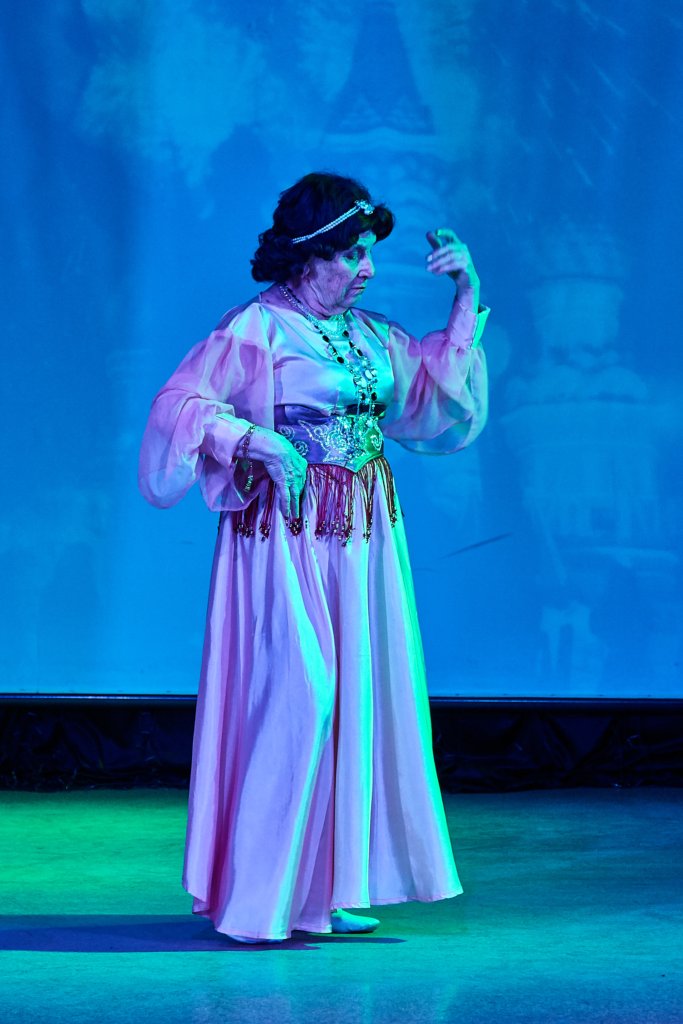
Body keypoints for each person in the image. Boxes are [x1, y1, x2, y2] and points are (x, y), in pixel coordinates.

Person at [139, 172, 489, 943]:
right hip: (283, 538)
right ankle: (259, 898)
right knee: (302, 695)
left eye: (369, 254)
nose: (368, 268)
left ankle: (323, 891)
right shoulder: (256, 329)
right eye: (353, 253)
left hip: (362, 538)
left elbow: (434, 400)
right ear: (309, 255)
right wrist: (250, 440)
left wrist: (465, 294)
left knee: (356, 699)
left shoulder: (368, 334)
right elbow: (177, 408)